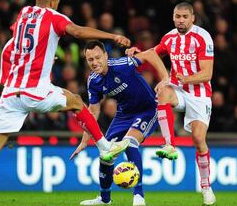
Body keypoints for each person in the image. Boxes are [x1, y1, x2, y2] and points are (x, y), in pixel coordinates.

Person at [0, 0, 131, 206]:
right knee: (77, 103)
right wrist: (112, 36)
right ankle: (105, 148)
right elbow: (78, 32)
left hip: (11, 91)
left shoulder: (23, 14)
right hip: (35, 88)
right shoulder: (53, 16)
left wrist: (13, 72)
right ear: (53, 2)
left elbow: (13, 46)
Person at [126, 2, 216, 205]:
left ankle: (205, 186)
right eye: (177, 16)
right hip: (178, 90)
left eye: (185, 16)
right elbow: (154, 53)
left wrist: (184, 79)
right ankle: (170, 144)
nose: (181, 20)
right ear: (173, 17)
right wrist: (136, 53)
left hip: (200, 94)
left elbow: (207, 73)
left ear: (192, 17)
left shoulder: (203, 37)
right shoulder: (169, 37)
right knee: (163, 91)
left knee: (198, 140)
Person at [70, 40, 169, 206]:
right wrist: (84, 140)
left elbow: (150, 54)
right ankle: (104, 199)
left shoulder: (122, 64)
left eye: (97, 57)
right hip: (123, 115)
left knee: (130, 143)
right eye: (90, 60)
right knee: (106, 154)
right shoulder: (93, 81)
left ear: (106, 56)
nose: (94, 63)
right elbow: (93, 112)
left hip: (147, 109)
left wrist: (165, 79)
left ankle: (139, 196)